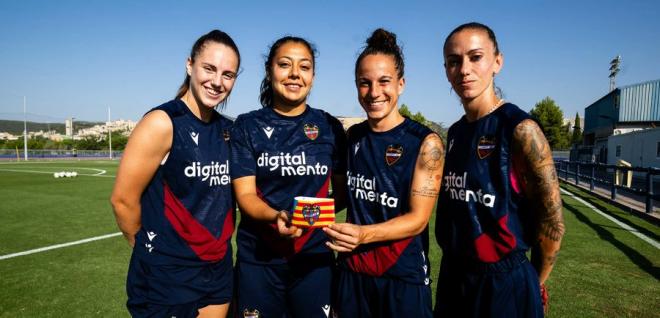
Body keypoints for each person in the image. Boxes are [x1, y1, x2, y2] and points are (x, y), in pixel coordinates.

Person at [434, 22, 565, 317]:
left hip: (504, 281)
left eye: (475, 57)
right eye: (454, 61)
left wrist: (534, 280)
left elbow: (552, 221)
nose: (464, 69)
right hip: (454, 276)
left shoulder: (520, 129)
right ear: (446, 70)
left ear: (497, 62)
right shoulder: (455, 133)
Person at [110, 30, 240, 318]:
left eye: (228, 74)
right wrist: (151, 249)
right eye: (209, 68)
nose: (217, 82)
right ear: (189, 65)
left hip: (217, 268)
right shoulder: (162, 122)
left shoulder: (227, 130)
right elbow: (123, 200)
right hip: (167, 274)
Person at [323, 28, 444, 318]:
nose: (374, 92)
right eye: (364, 83)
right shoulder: (352, 137)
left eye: (384, 81)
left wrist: (364, 235)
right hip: (352, 272)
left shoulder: (425, 143)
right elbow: (340, 198)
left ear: (401, 84)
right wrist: (294, 210)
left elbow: (418, 220)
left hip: (402, 275)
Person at [230, 36, 347, 318]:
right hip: (259, 259)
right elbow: (245, 196)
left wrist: (312, 213)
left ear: (313, 77)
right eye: (285, 65)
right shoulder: (247, 125)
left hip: (314, 260)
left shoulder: (329, 126)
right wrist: (277, 216)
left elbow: (342, 194)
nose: (295, 73)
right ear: (270, 71)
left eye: (304, 67)